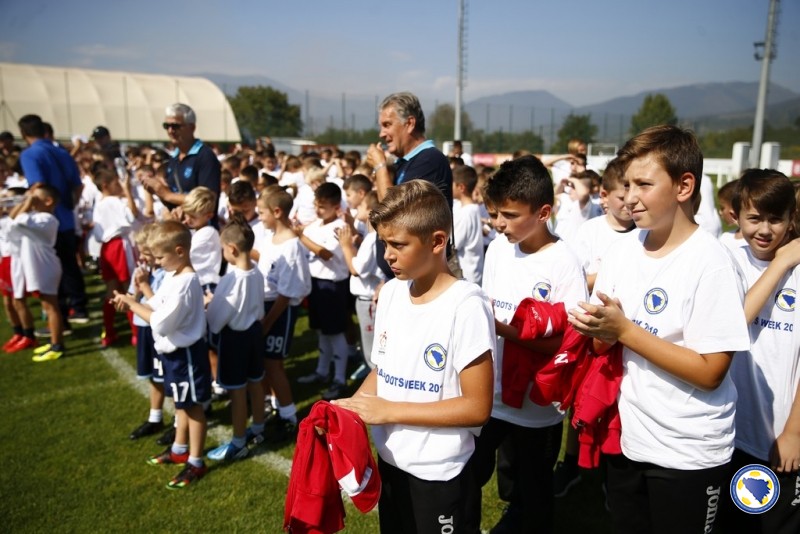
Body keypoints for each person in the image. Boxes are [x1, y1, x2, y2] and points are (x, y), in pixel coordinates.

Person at [567, 125, 750, 533]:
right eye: (627, 184)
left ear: (684, 186)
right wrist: (599, 330)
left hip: (689, 451)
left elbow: (710, 372)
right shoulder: (621, 251)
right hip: (629, 439)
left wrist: (625, 330)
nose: (630, 197)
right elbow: (603, 348)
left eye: (644, 185)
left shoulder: (712, 263)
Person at [333, 179, 495, 534]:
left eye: (398, 245)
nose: (387, 255)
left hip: (440, 472)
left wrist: (389, 411)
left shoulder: (467, 305)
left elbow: (477, 407)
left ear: (437, 241)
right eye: (384, 243)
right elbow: (383, 371)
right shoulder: (391, 293)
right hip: (391, 461)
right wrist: (348, 410)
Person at [466, 155, 587, 534]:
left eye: (510, 215)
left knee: (534, 488)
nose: (498, 223)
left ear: (543, 213)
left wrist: (505, 331)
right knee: (473, 474)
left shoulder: (564, 263)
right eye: (496, 213)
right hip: (491, 395)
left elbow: (568, 344)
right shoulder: (499, 249)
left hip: (538, 406)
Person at [720, 169, 800, 533]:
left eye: (775, 219)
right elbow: (732, 327)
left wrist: (794, 432)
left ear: (790, 218)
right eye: (754, 218)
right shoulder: (725, 257)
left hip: (783, 436)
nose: (764, 230)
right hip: (729, 432)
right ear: (736, 216)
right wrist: (780, 264)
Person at [112, 220, 211, 489]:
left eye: (160, 257)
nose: (156, 262)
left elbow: (161, 322)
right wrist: (136, 296)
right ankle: (179, 449)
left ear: (180, 251)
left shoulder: (186, 281)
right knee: (181, 404)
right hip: (174, 355)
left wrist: (132, 304)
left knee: (193, 408)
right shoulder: (173, 275)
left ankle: (196, 462)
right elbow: (157, 303)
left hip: (186, 355)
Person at [17, 114, 88, 326]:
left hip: (46, 222)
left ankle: (60, 318)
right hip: (66, 219)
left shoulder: (30, 154)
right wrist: (70, 205)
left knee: (50, 273)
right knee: (70, 266)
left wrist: (25, 205)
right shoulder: (62, 152)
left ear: (24, 133)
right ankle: (79, 308)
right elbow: (78, 185)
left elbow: (37, 185)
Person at [206, 218, 266, 461]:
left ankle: (239, 442)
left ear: (231, 248)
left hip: (235, 339)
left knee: (237, 392)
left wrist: (209, 304)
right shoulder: (257, 271)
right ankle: (259, 428)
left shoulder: (231, 279)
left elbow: (216, 319)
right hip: (254, 334)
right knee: (256, 383)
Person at [256, 186, 311, 442]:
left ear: (277, 212)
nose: (259, 217)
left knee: (273, 364)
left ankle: (289, 417)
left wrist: (267, 324)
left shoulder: (291, 246)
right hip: (265, 306)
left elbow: (286, 293)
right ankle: (273, 405)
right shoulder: (270, 239)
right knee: (264, 362)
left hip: (280, 310)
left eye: (262, 212)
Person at [296, 182, 351, 400]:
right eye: (316, 206)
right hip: (316, 284)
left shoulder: (340, 227)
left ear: (336, 207)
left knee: (335, 332)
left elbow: (326, 254)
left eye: (322, 207)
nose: (317, 211)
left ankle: (340, 378)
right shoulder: (315, 225)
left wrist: (301, 237)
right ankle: (322, 370)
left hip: (332, 285)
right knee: (321, 331)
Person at [9, 184, 65, 362]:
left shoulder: (48, 219)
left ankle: (57, 346)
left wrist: (27, 202)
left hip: (45, 266)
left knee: (51, 306)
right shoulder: (35, 216)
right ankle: (54, 341)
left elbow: (19, 220)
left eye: (36, 198)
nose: (31, 201)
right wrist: (26, 201)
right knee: (47, 307)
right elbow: (12, 219)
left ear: (48, 201)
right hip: (38, 266)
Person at [365, 92, 452, 206]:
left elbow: (394, 210)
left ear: (410, 123)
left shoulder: (430, 160)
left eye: (387, 125)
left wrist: (380, 166)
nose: (381, 134)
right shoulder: (404, 162)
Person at [337, 190, 385, 380]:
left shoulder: (373, 238)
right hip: (367, 298)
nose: (357, 208)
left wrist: (346, 246)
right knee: (370, 346)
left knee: (372, 349)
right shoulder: (371, 236)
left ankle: (376, 384)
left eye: (362, 205)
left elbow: (356, 269)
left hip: (368, 300)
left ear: (371, 211)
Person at [141, 103, 221, 214]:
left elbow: (207, 201)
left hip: (200, 224)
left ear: (192, 128)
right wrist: (157, 190)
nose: (170, 131)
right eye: (166, 126)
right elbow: (172, 200)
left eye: (175, 126)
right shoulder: (174, 158)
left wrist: (167, 194)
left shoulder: (205, 156)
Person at [127, 224, 168, 441]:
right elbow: (131, 298)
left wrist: (144, 286)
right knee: (153, 375)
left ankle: (179, 422)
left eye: (146, 253)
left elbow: (159, 307)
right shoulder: (143, 270)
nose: (142, 257)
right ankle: (155, 417)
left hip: (159, 330)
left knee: (167, 376)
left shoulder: (167, 274)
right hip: (143, 328)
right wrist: (133, 292)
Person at [91, 168, 139, 347]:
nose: (119, 186)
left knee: (111, 290)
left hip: (107, 248)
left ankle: (109, 331)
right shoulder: (114, 201)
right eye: (116, 183)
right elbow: (132, 216)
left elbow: (97, 232)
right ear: (106, 185)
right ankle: (136, 333)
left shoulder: (99, 204)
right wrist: (128, 191)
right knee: (129, 288)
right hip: (119, 246)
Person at [452, 165, 485, 285]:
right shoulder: (467, 208)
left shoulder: (467, 213)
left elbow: (454, 244)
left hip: (467, 275)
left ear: (461, 187)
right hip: (471, 272)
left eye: (452, 184)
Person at [717, 179, 744, 253]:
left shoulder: (755, 242)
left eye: (722, 208)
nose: (720, 212)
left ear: (734, 209)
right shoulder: (725, 238)